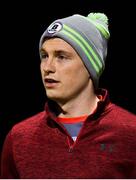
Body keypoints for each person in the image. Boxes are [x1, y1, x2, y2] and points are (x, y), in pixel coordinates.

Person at [1, 12, 136, 179]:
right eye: (44, 56)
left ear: (90, 66)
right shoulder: (19, 138)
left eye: (61, 57)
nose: (47, 67)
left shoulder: (130, 133)